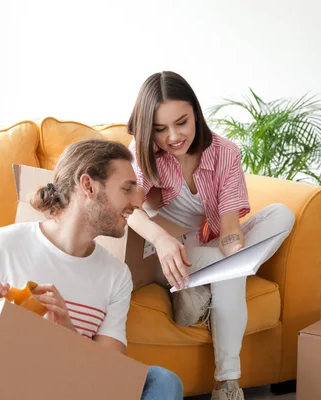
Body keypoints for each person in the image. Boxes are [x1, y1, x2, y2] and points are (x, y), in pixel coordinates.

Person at [0, 139, 183, 400]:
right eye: (127, 188)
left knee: (161, 381)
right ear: (88, 186)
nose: (139, 199)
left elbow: (110, 377)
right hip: (6, 387)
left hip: (68, 388)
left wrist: (67, 335)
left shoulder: (116, 275)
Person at [126, 71, 295, 400]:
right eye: (160, 129)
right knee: (222, 266)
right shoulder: (143, 152)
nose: (173, 137)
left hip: (205, 248)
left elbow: (230, 227)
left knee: (281, 215)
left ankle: (204, 285)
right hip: (160, 252)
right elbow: (128, 209)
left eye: (182, 122)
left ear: (196, 113)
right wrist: (161, 239)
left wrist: (234, 262)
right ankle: (228, 383)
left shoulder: (224, 153)